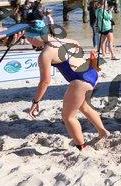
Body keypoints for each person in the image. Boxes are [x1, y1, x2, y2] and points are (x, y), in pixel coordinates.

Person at [20, 20, 110, 150]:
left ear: (34, 37)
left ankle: (82, 147)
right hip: (91, 73)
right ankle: (103, 132)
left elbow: (45, 82)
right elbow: (77, 45)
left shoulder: (45, 54)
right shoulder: (65, 40)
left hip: (80, 81)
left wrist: (36, 101)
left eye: (28, 38)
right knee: (84, 107)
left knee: (68, 117)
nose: (28, 41)